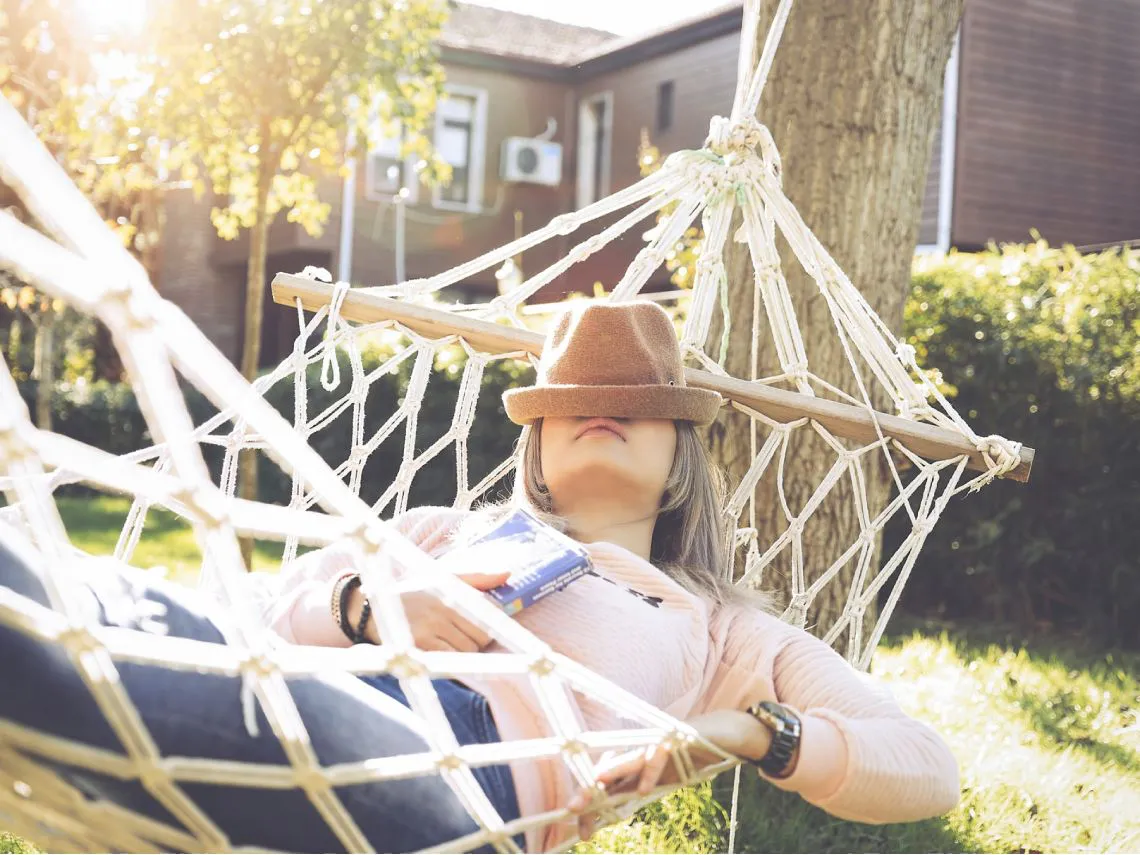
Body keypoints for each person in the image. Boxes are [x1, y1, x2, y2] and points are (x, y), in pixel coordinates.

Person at [0, 301, 960, 854]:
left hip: (458, 784)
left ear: (683, 459)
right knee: (107, 625)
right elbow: (242, 610)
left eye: (639, 403)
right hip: (305, 691)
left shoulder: (718, 632)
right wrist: (363, 606)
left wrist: (749, 731)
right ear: (535, 445)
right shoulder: (440, 529)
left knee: (59, 649)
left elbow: (928, 767)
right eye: (573, 400)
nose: (603, 411)